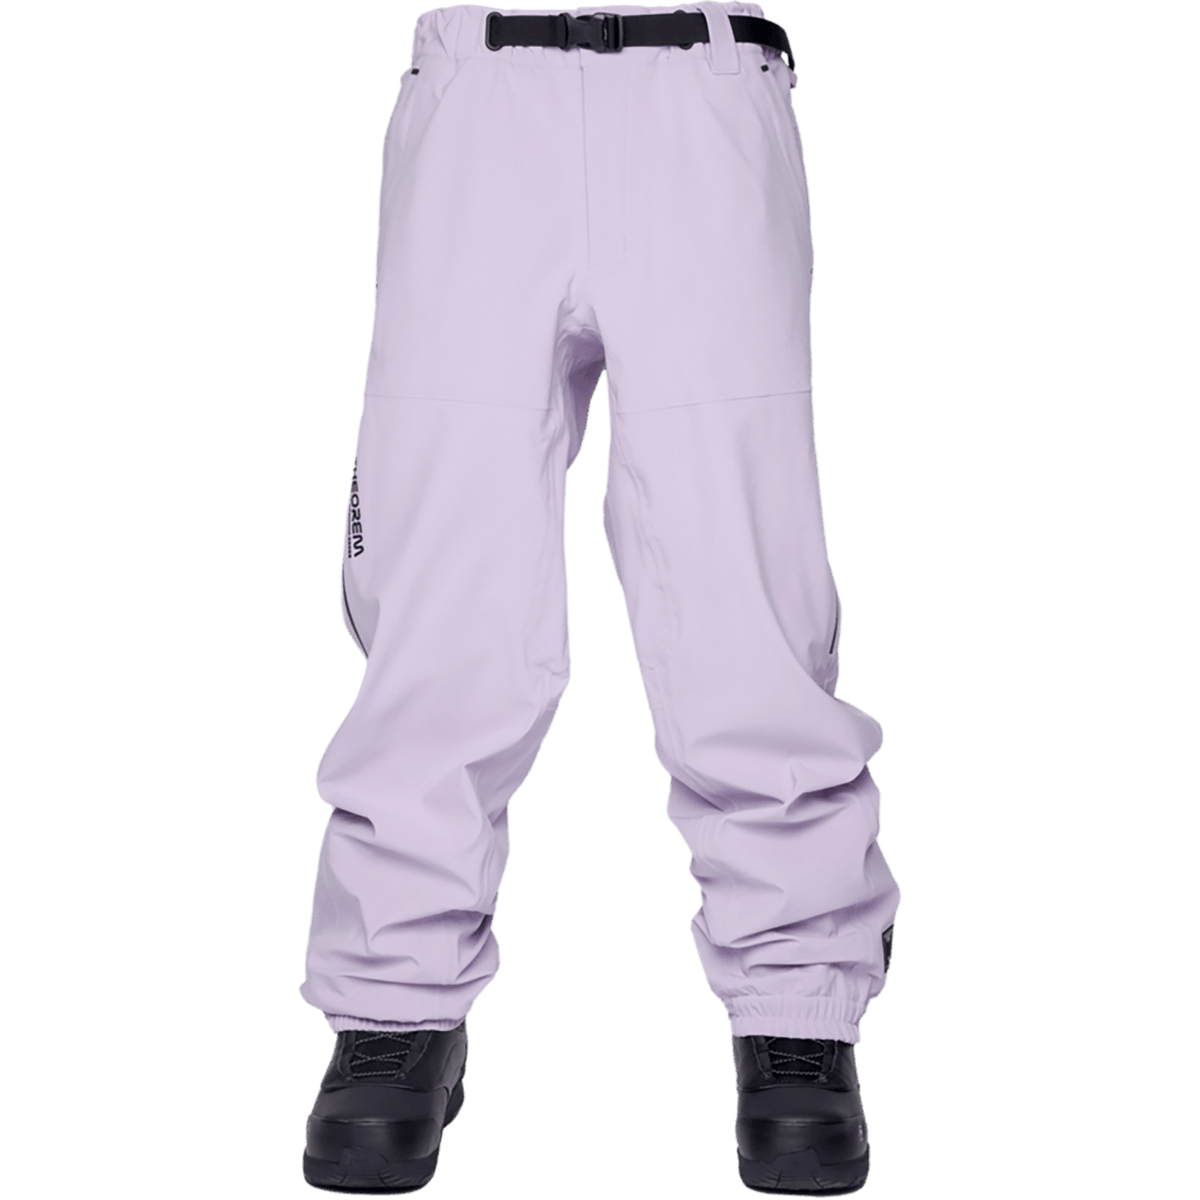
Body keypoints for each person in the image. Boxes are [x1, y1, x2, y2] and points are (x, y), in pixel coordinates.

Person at [297, 5, 901, 1196]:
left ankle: (796, 1003)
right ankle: (395, 1006)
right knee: (441, 580)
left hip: (704, 81)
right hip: (478, 88)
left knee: (739, 579)